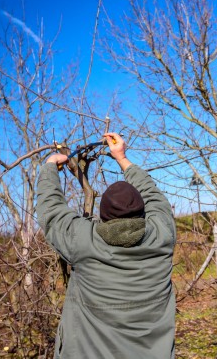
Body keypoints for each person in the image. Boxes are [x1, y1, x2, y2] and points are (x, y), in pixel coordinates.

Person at [36, 132, 176, 359]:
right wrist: (122, 157)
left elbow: (50, 210)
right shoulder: (162, 234)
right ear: (143, 212)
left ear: (103, 217)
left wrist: (50, 166)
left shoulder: (83, 241)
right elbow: (153, 195)